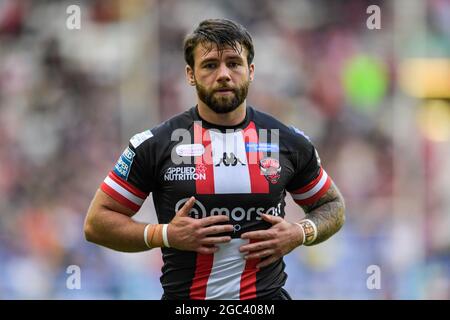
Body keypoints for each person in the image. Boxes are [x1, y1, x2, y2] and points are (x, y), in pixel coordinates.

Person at [84, 18, 345, 300]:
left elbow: (332, 206)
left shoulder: (287, 142)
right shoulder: (154, 144)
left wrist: (300, 232)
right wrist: (165, 235)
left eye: (234, 63)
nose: (223, 74)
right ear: (190, 74)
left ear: (251, 70)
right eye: (210, 65)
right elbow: (96, 223)